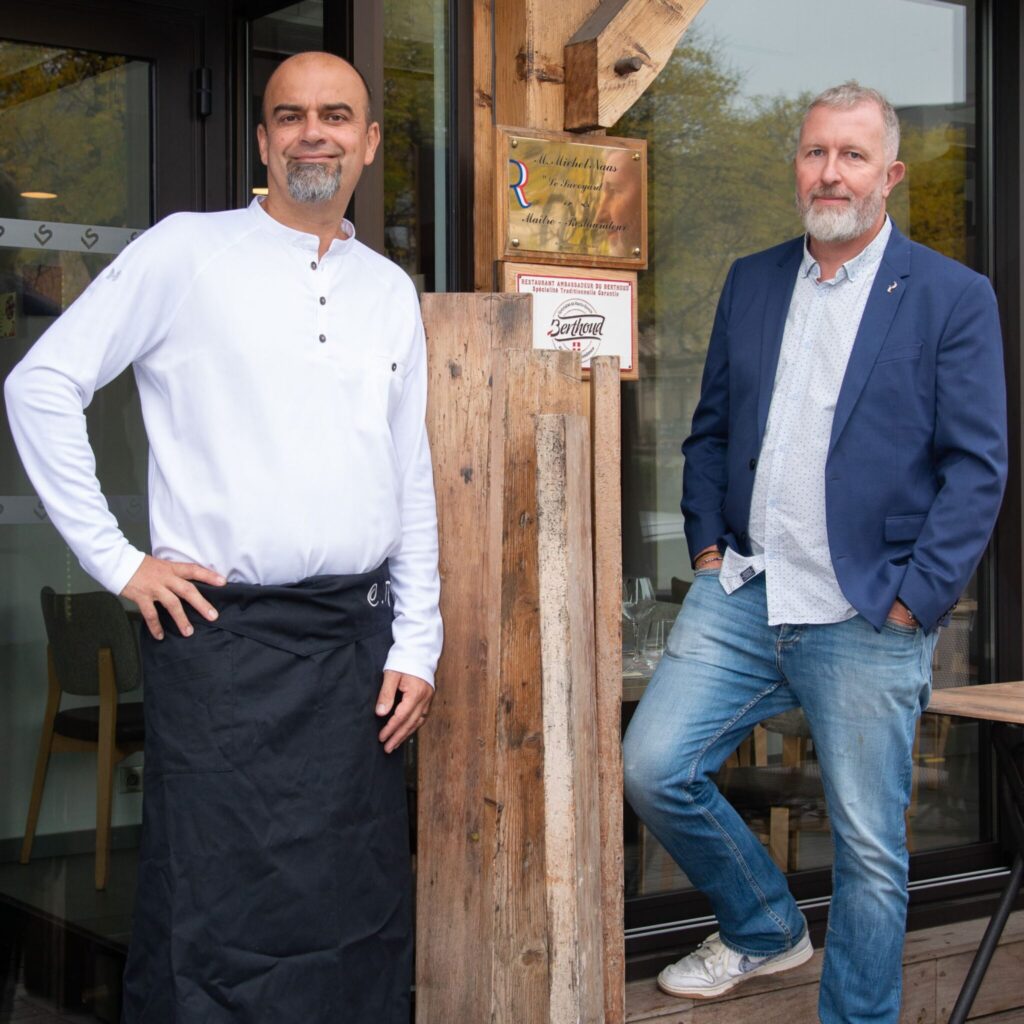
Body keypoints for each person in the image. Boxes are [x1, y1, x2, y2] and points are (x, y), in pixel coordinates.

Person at [4, 51, 439, 1024]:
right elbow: (39, 386)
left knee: (356, 903)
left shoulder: (388, 290)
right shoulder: (184, 252)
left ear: (369, 143)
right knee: (213, 911)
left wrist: (420, 639)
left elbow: (407, 472)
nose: (312, 132)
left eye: (336, 115)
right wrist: (118, 561)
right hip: (221, 643)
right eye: (289, 116)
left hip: (356, 651)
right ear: (262, 141)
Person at [622, 82, 1007, 1024]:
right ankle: (763, 926)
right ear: (797, 163)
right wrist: (707, 545)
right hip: (746, 592)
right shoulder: (754, 280)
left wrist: (915, 600)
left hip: (866, 613)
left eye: (852, 155)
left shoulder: (952, 298)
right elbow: (709, 430)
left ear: (890, 175)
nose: (830, 172)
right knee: (652, 766)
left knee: (871, 851)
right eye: (815, 152)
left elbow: (978, 467)